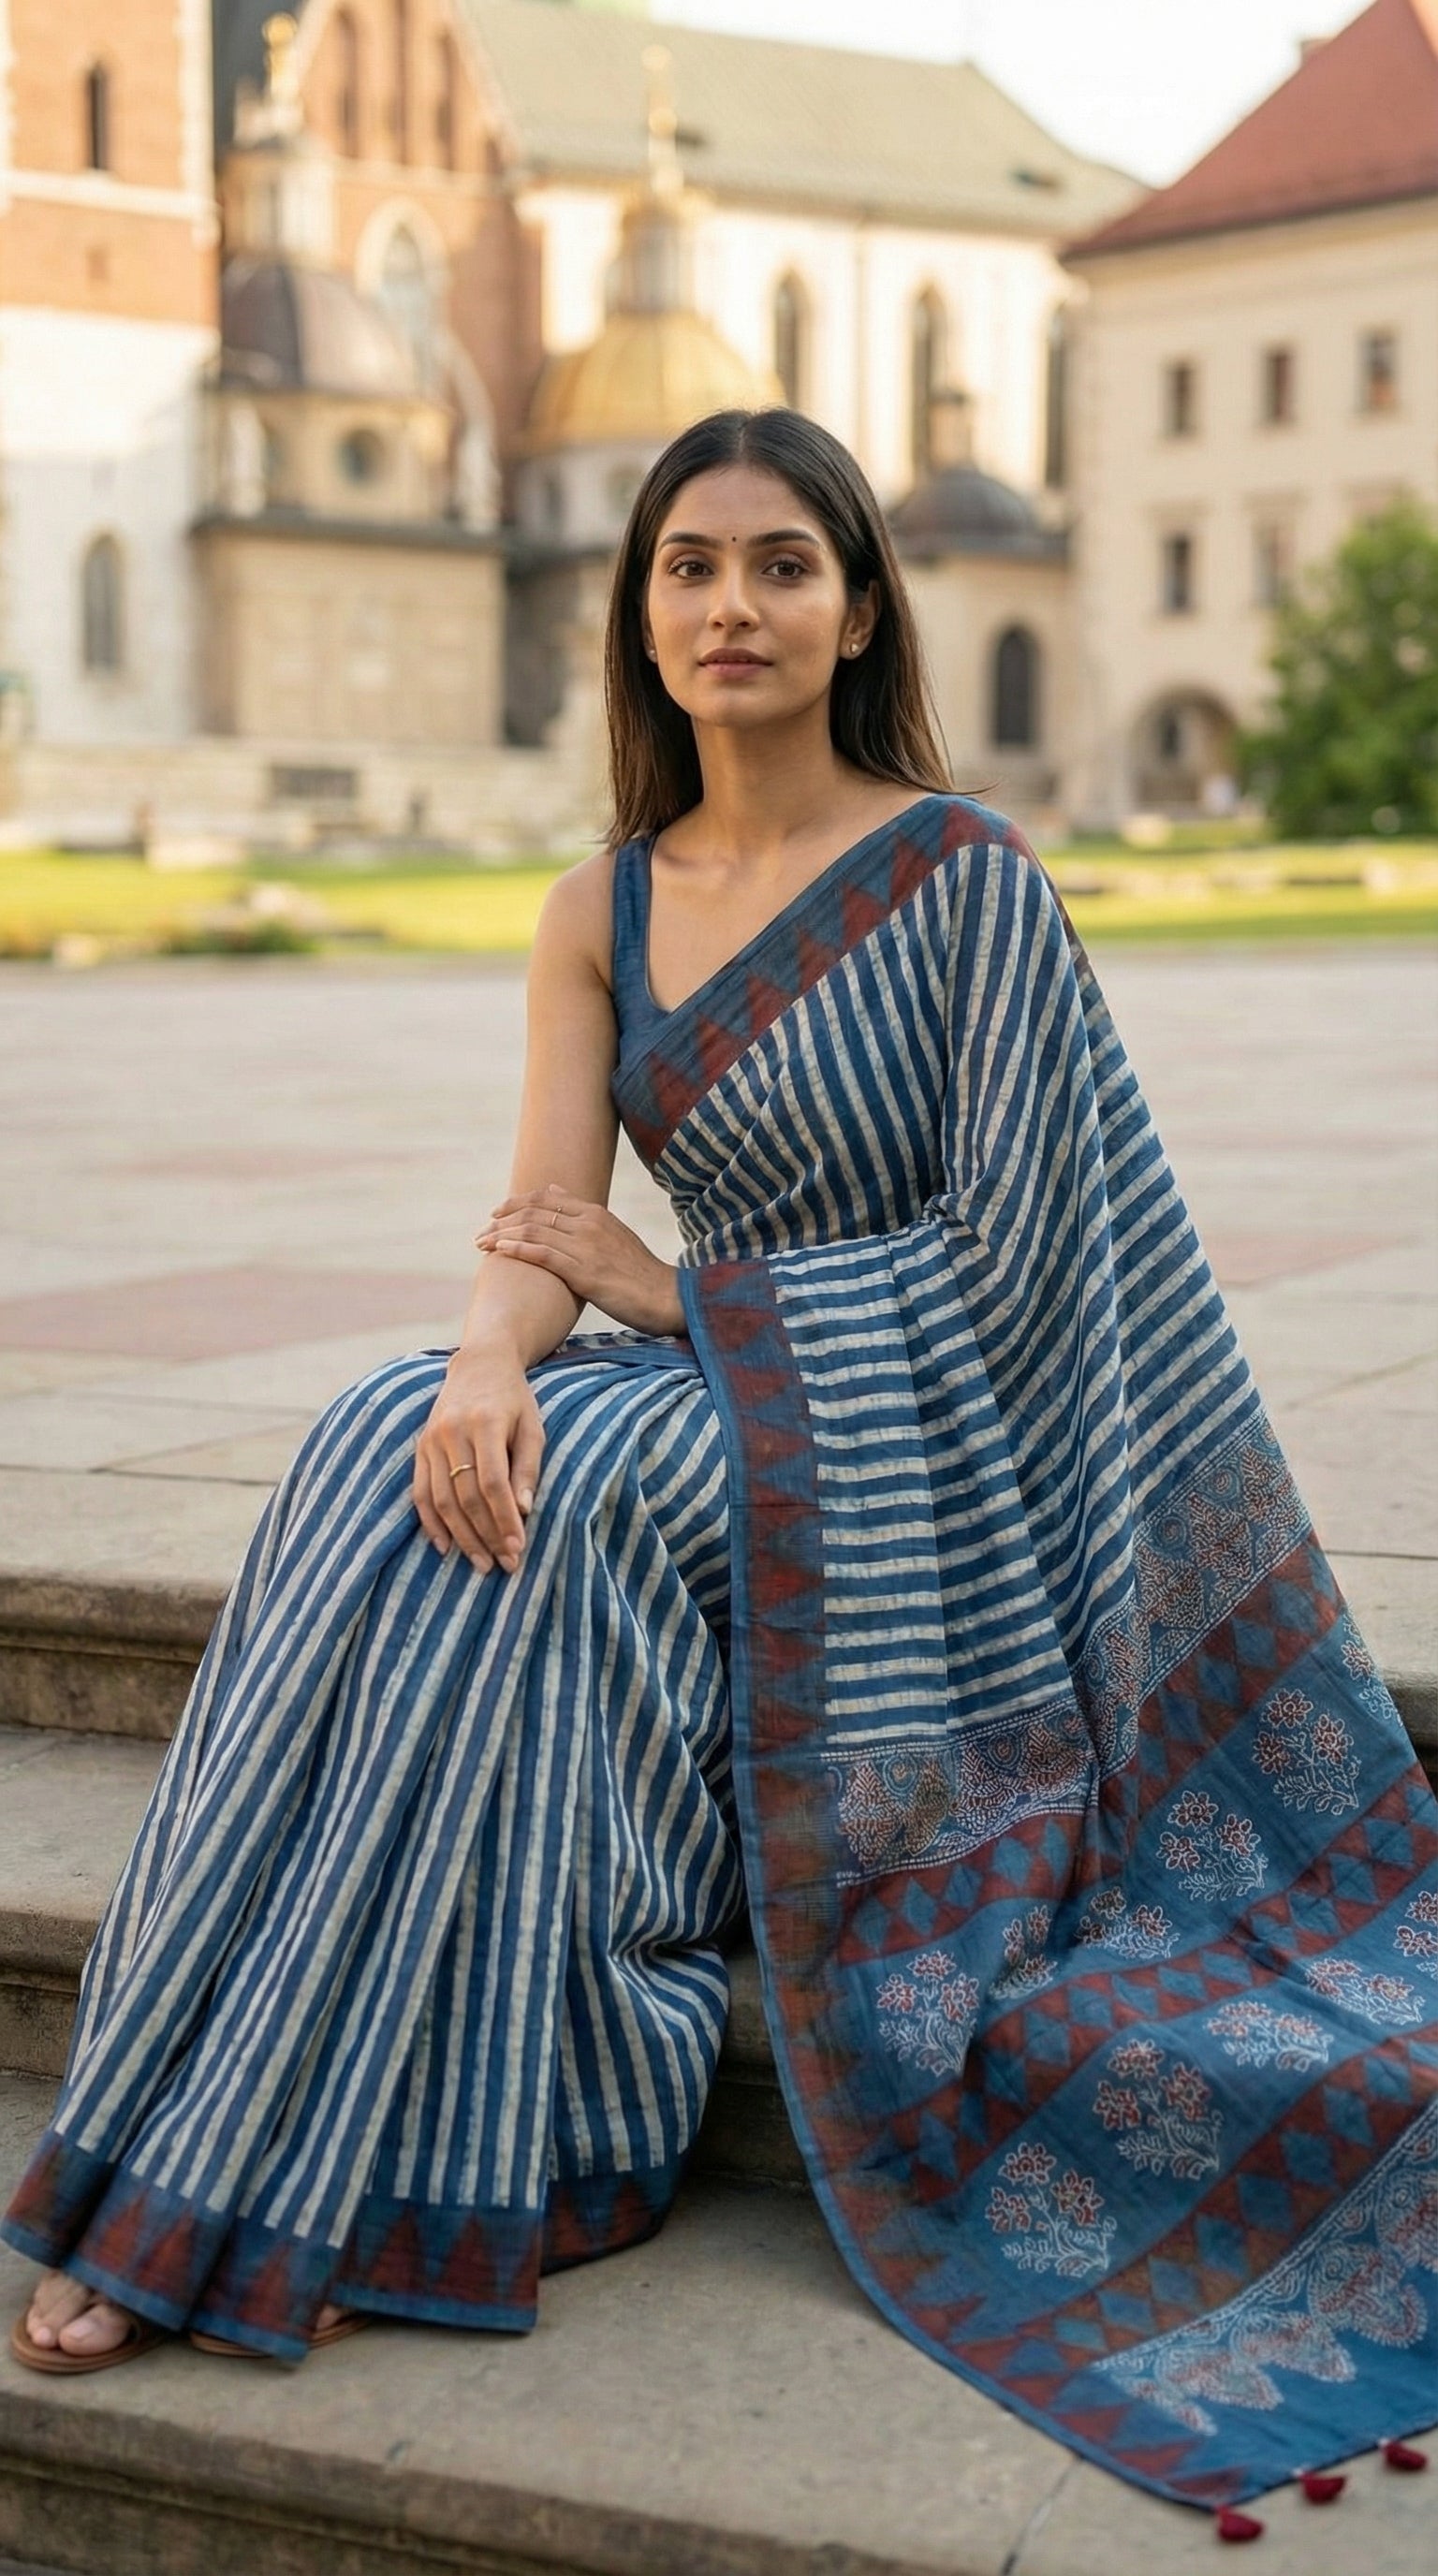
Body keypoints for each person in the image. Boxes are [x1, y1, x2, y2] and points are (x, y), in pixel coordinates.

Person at [7, 411, 1435, 2520]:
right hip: (715, 1388)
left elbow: (1029, 1266)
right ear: (637, 605)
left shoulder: (965, 880)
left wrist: (686, 1309)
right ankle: (218, 2146)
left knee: (567, 1510)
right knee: (376, 1456)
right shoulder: (599, 906)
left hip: (917, 1457)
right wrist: (491, 1363)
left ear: (859, 604)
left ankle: (371, 2157)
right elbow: (538, 1221)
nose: (730, 606)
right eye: (687, 565)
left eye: (780, 564)